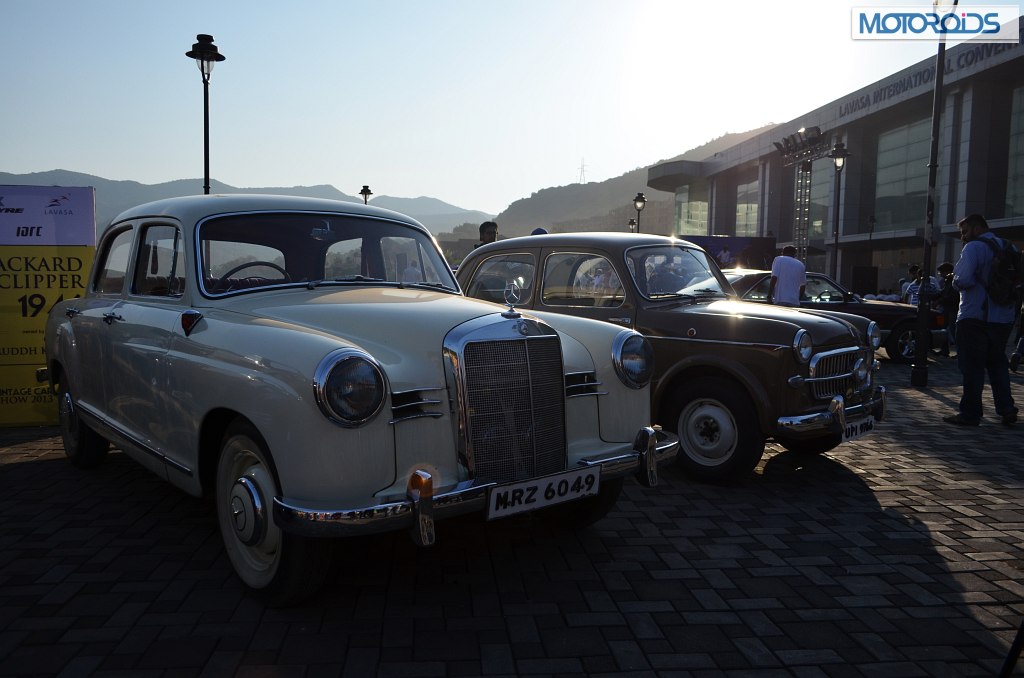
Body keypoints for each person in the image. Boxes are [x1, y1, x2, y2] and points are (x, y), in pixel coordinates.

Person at [943, 214, 1018, 426]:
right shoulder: (1009, 247)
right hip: (1003, 317)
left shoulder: (974, 248)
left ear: (977, 228)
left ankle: (971, 413)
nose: (963, 237)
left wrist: (955, 280)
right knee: (998, 364)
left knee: (972, 367)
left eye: (965, 231)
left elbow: (964, 279)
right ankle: (1007, 408)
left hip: (975, 315)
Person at [936, 261, 958, 357]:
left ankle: (959, 352)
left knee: (953, 331)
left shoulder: (954, 281)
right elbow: (942, 292)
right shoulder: (947, 281)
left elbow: (953, 296)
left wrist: (940, 300)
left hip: (952, 309)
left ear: (947, 272)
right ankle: (944, 350)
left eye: (942, 272)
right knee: (943, 329)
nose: (940, 275)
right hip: (946, 309)